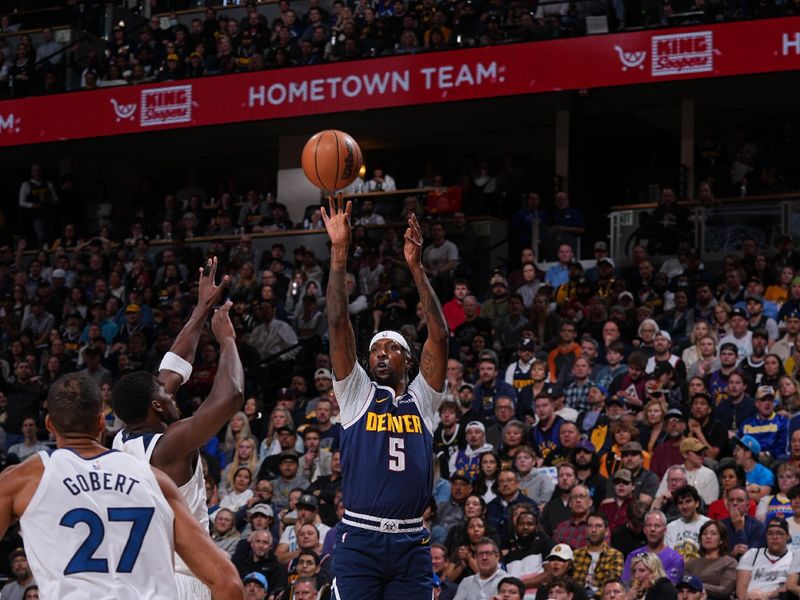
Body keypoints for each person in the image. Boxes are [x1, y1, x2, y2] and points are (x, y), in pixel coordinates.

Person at [0, 373, 241, 599]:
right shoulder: (153, 480)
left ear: (49, 424)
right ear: (101, 421)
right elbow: (228, 583)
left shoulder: (23, 480)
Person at [322, 196, 448, 598]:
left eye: (389, 348)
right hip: (360, 538)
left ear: (407, 360)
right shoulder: (357, 393)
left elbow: (439, 335)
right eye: (374, 348)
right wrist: (339, 252)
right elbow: (338, 322)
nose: (379, 353)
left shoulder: (423, 400)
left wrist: (416, 267)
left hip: (411, 543)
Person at [112, 258, 243, 600]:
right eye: (166, 396)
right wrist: (226, 340)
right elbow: (230, 397)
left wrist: (202, 308)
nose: (172, 395)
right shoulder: (169, 445)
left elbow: (173, 366)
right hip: (180, 579)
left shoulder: (120, 439)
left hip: (134, 579)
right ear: (156, 406)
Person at [736, 517, 794, 600]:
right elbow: (741, 589)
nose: (774, 537)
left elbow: (792, 586)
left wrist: (766, 596)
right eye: (770, 533)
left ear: (788, 536)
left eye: (780, 533)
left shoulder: (794, 558)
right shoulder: (752, 555)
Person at [572, 512, 624, 597]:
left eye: (598, 526)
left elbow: (611, 585)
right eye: (590, 526)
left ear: (606, 531)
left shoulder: (615, 555)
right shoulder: (576, 554)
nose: (593, 530)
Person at [684, 520, 737, 600]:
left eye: (713, 534)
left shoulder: (730, 563)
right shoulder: (691, 564)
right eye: (704, 534)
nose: (708, 536)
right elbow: (684, 587)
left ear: (721, 540)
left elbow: (724, 591)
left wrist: (696, 585)